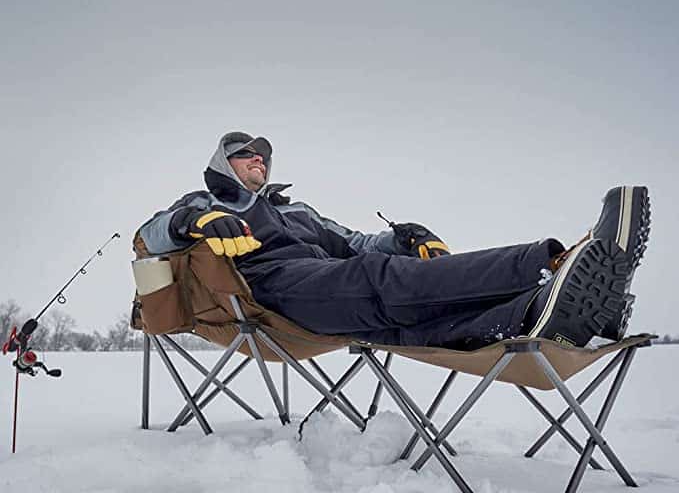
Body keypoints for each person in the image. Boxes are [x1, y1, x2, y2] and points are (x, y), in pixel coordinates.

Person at [135, 131, 651, 350]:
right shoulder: (206, 205)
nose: (259, 160)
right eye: (246, 153)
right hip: (273, 295)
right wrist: (194, 223)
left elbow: (359, 242)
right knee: (378, 282)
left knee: (406, 315)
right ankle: (554, 262)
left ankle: (546, 310)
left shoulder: (299, 212)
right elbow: (148, 235)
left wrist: (405, 239)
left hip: (331, 288)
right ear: (222, 163)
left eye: (264, 155)